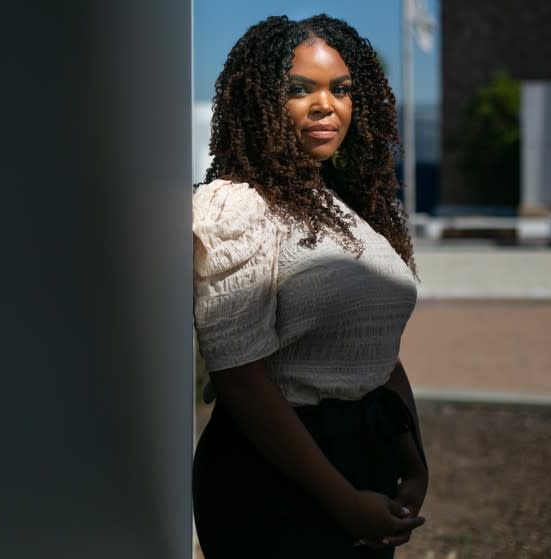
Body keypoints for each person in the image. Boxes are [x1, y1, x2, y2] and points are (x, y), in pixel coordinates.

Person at [192, 14, 429, 558]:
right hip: (274, 476)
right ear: (260, 102)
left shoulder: (352, 213)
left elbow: (379, 357)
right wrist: (341, 501)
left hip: (367, 459)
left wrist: (414, 463)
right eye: (300, 89)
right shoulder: (237, 206)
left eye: (341, 89)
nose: (327, 105)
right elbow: (240, 378)